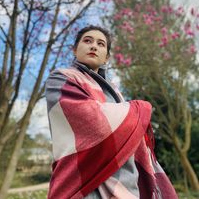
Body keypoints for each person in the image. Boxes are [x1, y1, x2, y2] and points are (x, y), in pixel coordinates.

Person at [45, 25, 178, 199]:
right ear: (75, 49)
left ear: (106, 57)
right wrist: (139, 109)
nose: (94, 46)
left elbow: (132, 140)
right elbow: (94, 121)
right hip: (84, 183)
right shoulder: (61, 78)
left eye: (101, 44)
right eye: (87, 41)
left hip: (126, 186)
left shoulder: (116, 93)